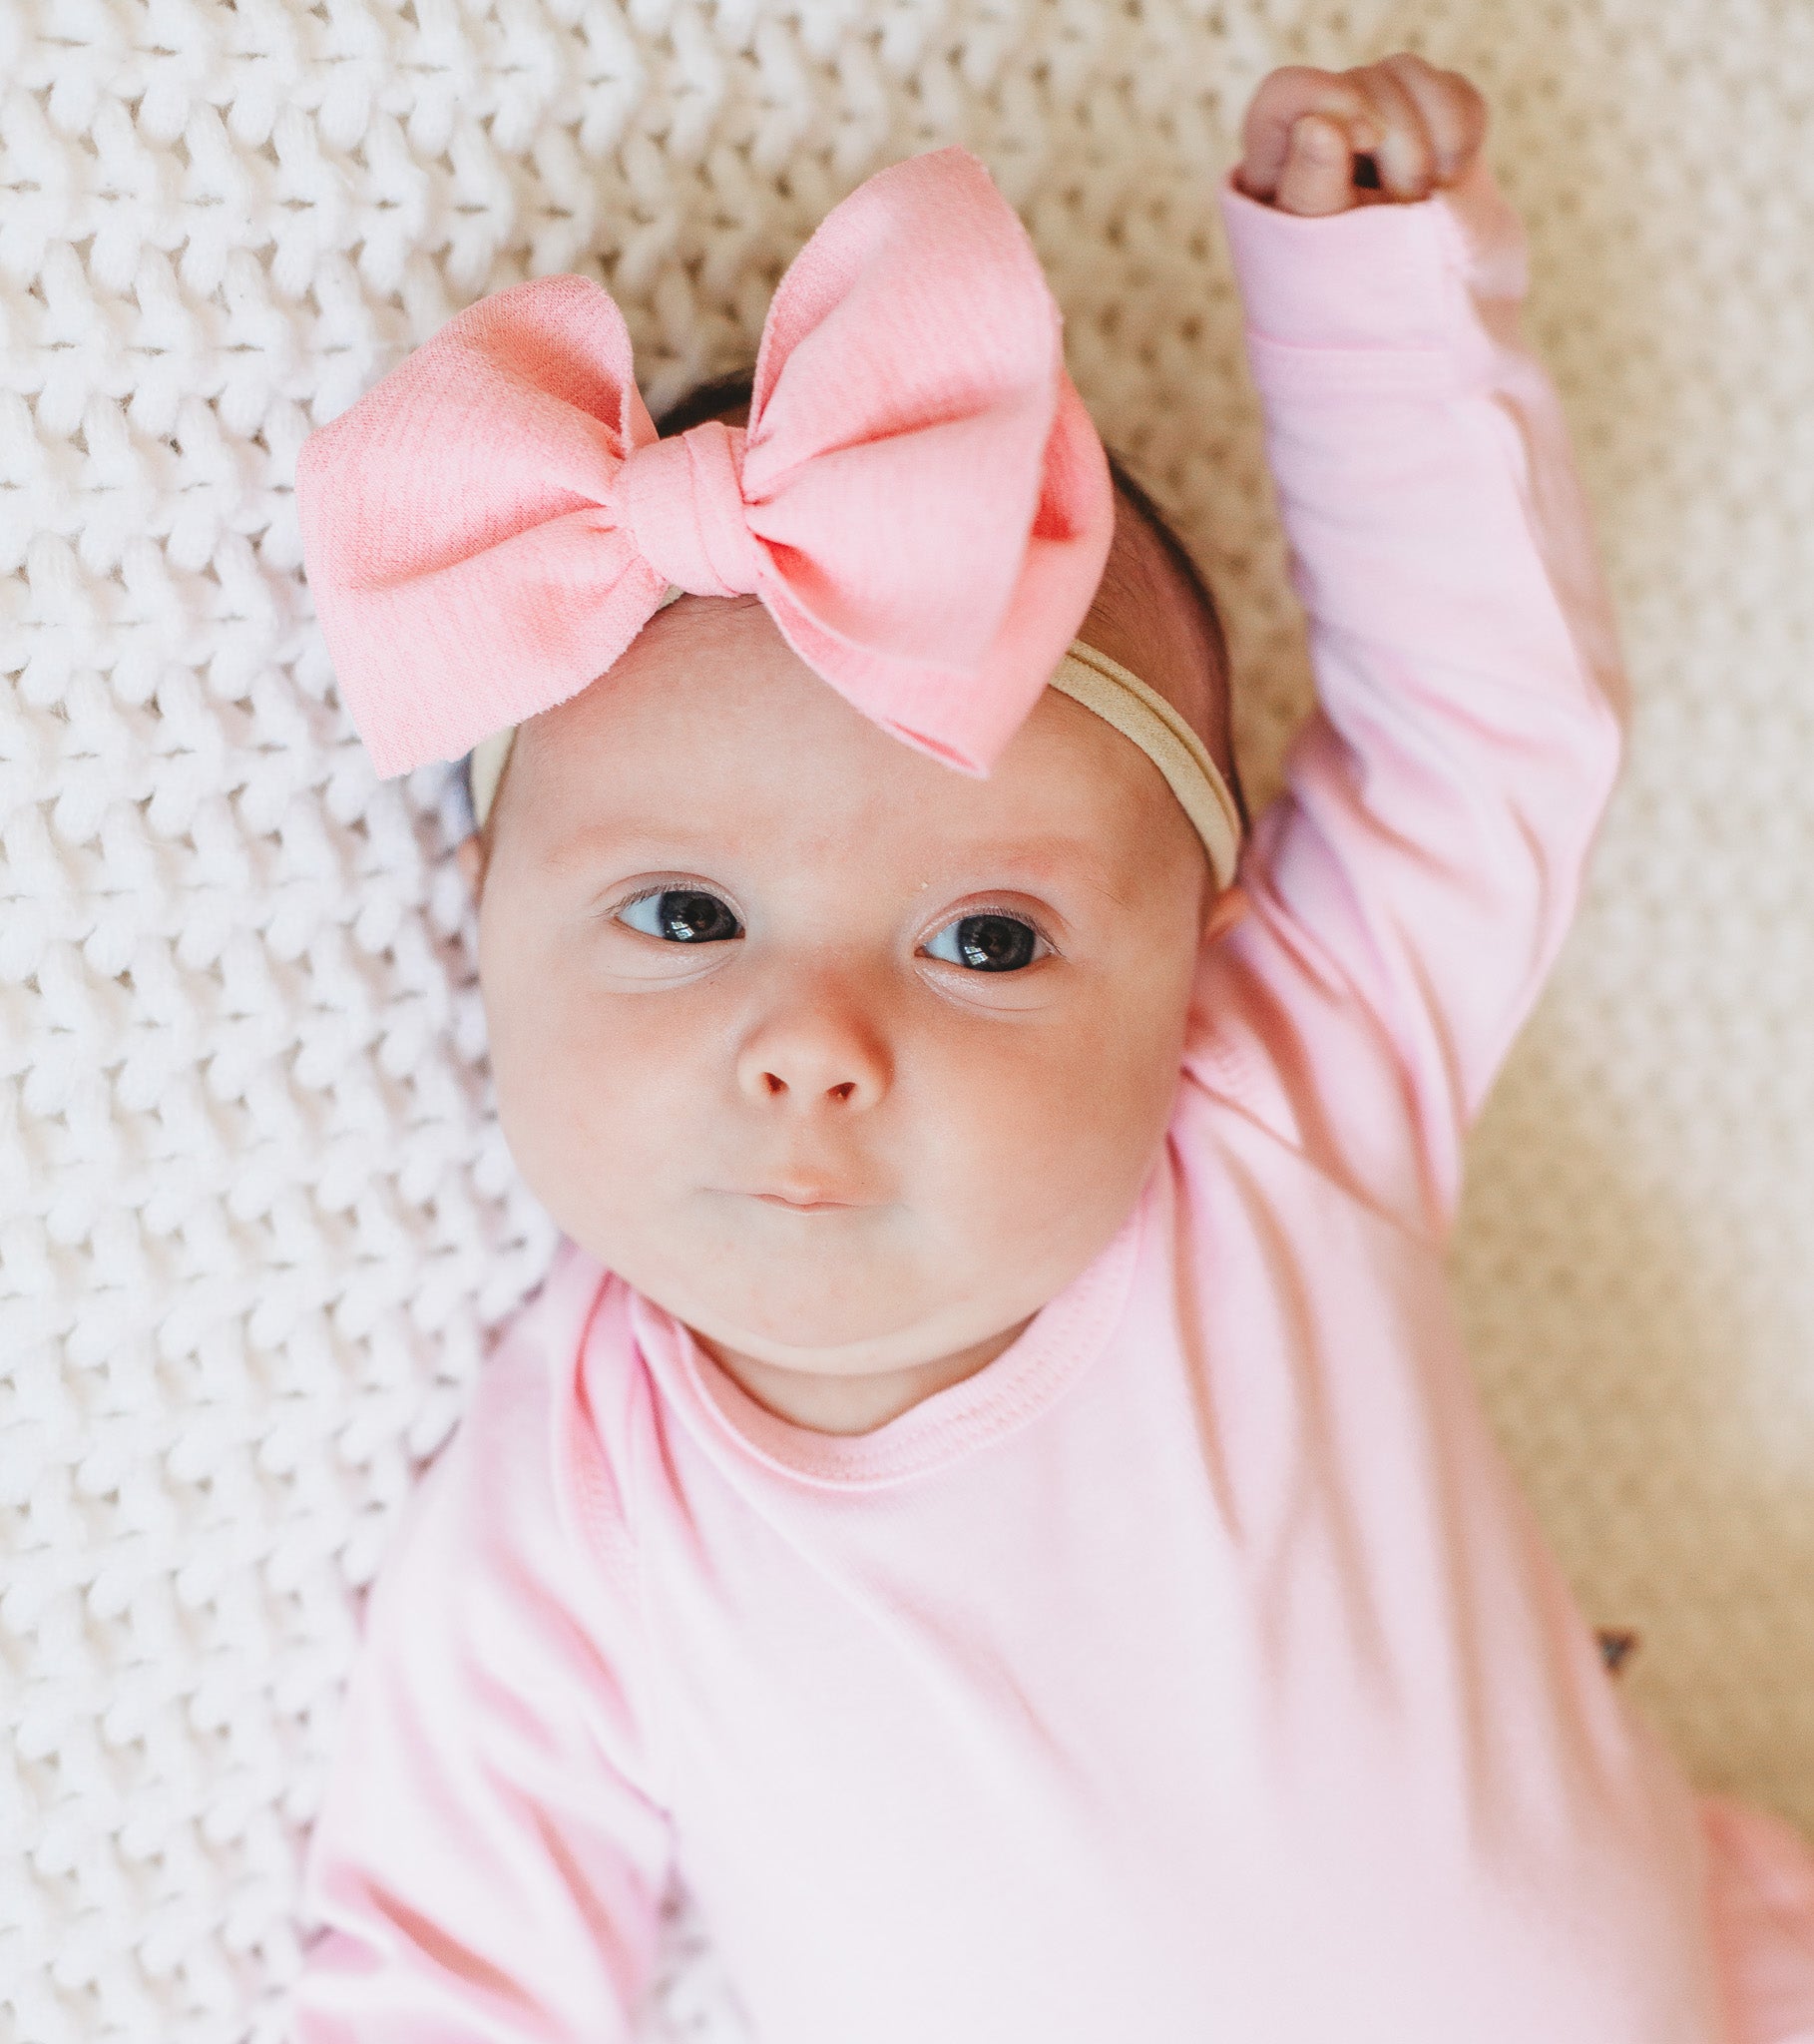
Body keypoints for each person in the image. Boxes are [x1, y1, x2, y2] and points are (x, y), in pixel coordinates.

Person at [287, 55, 1814, 2043]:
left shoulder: (1276, 1114)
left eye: (986, 939)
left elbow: (1482, 745)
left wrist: (1372, 305)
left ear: (1203, 949)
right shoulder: (582, 1500)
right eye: (682, 918)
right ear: (488, 910)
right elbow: (450, 1971)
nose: (810, 1043)